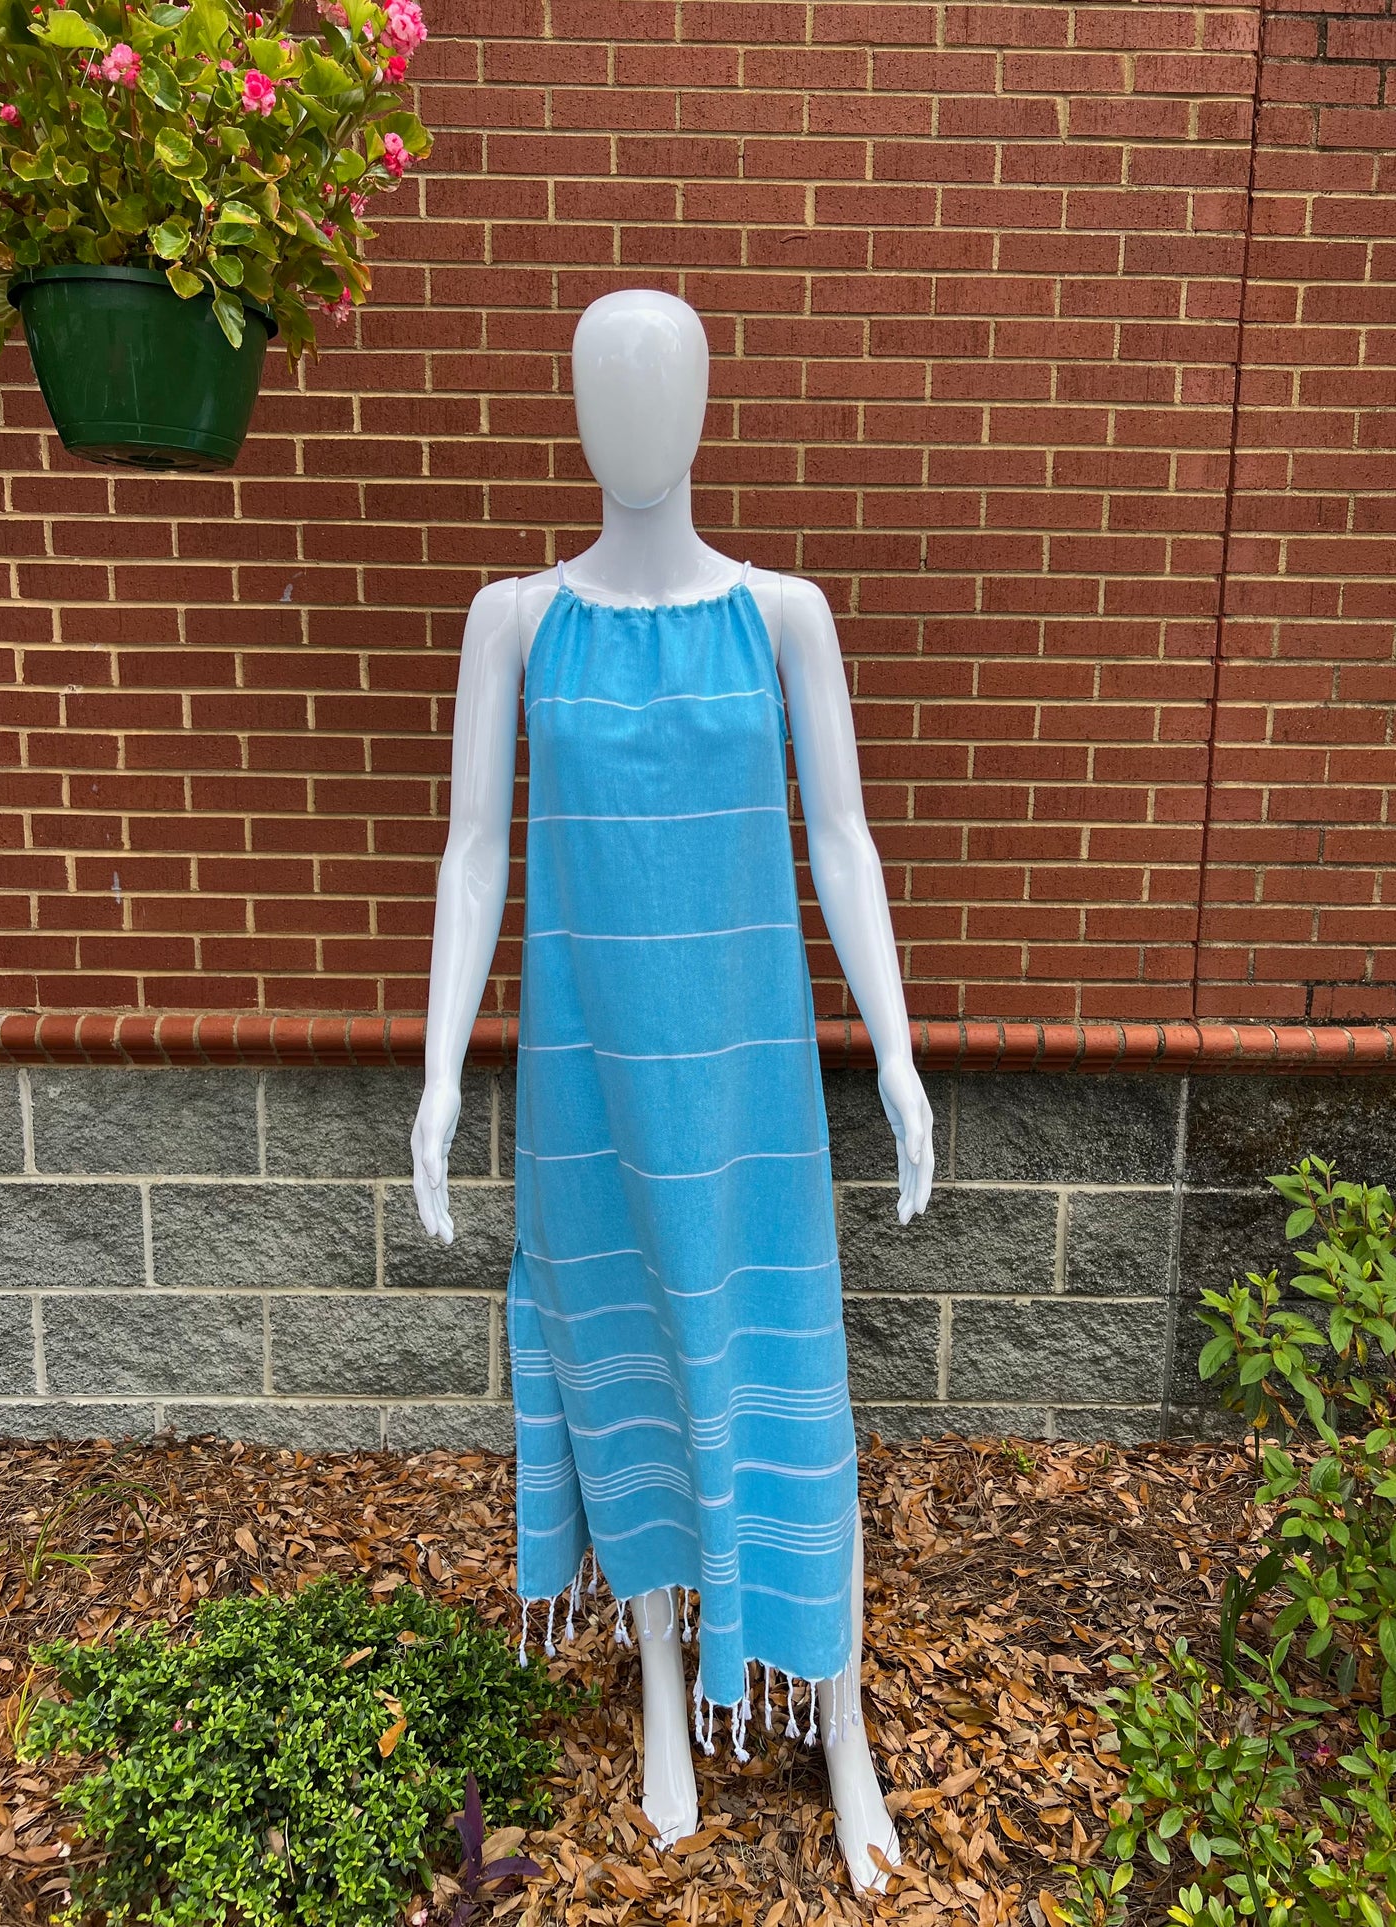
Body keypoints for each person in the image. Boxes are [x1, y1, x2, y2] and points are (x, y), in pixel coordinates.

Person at [412, 289, 933, 1893]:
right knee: (618, 1355)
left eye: (664, 384)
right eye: (601, 386)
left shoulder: (784, 613)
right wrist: (436, 1081)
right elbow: (474, 850)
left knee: (785, 1374)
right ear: (570, 410)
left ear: (708, 405)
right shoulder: (514, 618)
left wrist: (899, 1058)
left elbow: (841, 841)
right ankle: (655, 1672)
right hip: (584, 1076)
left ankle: (830, 1715)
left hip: (751, 1082)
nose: (632, 416)